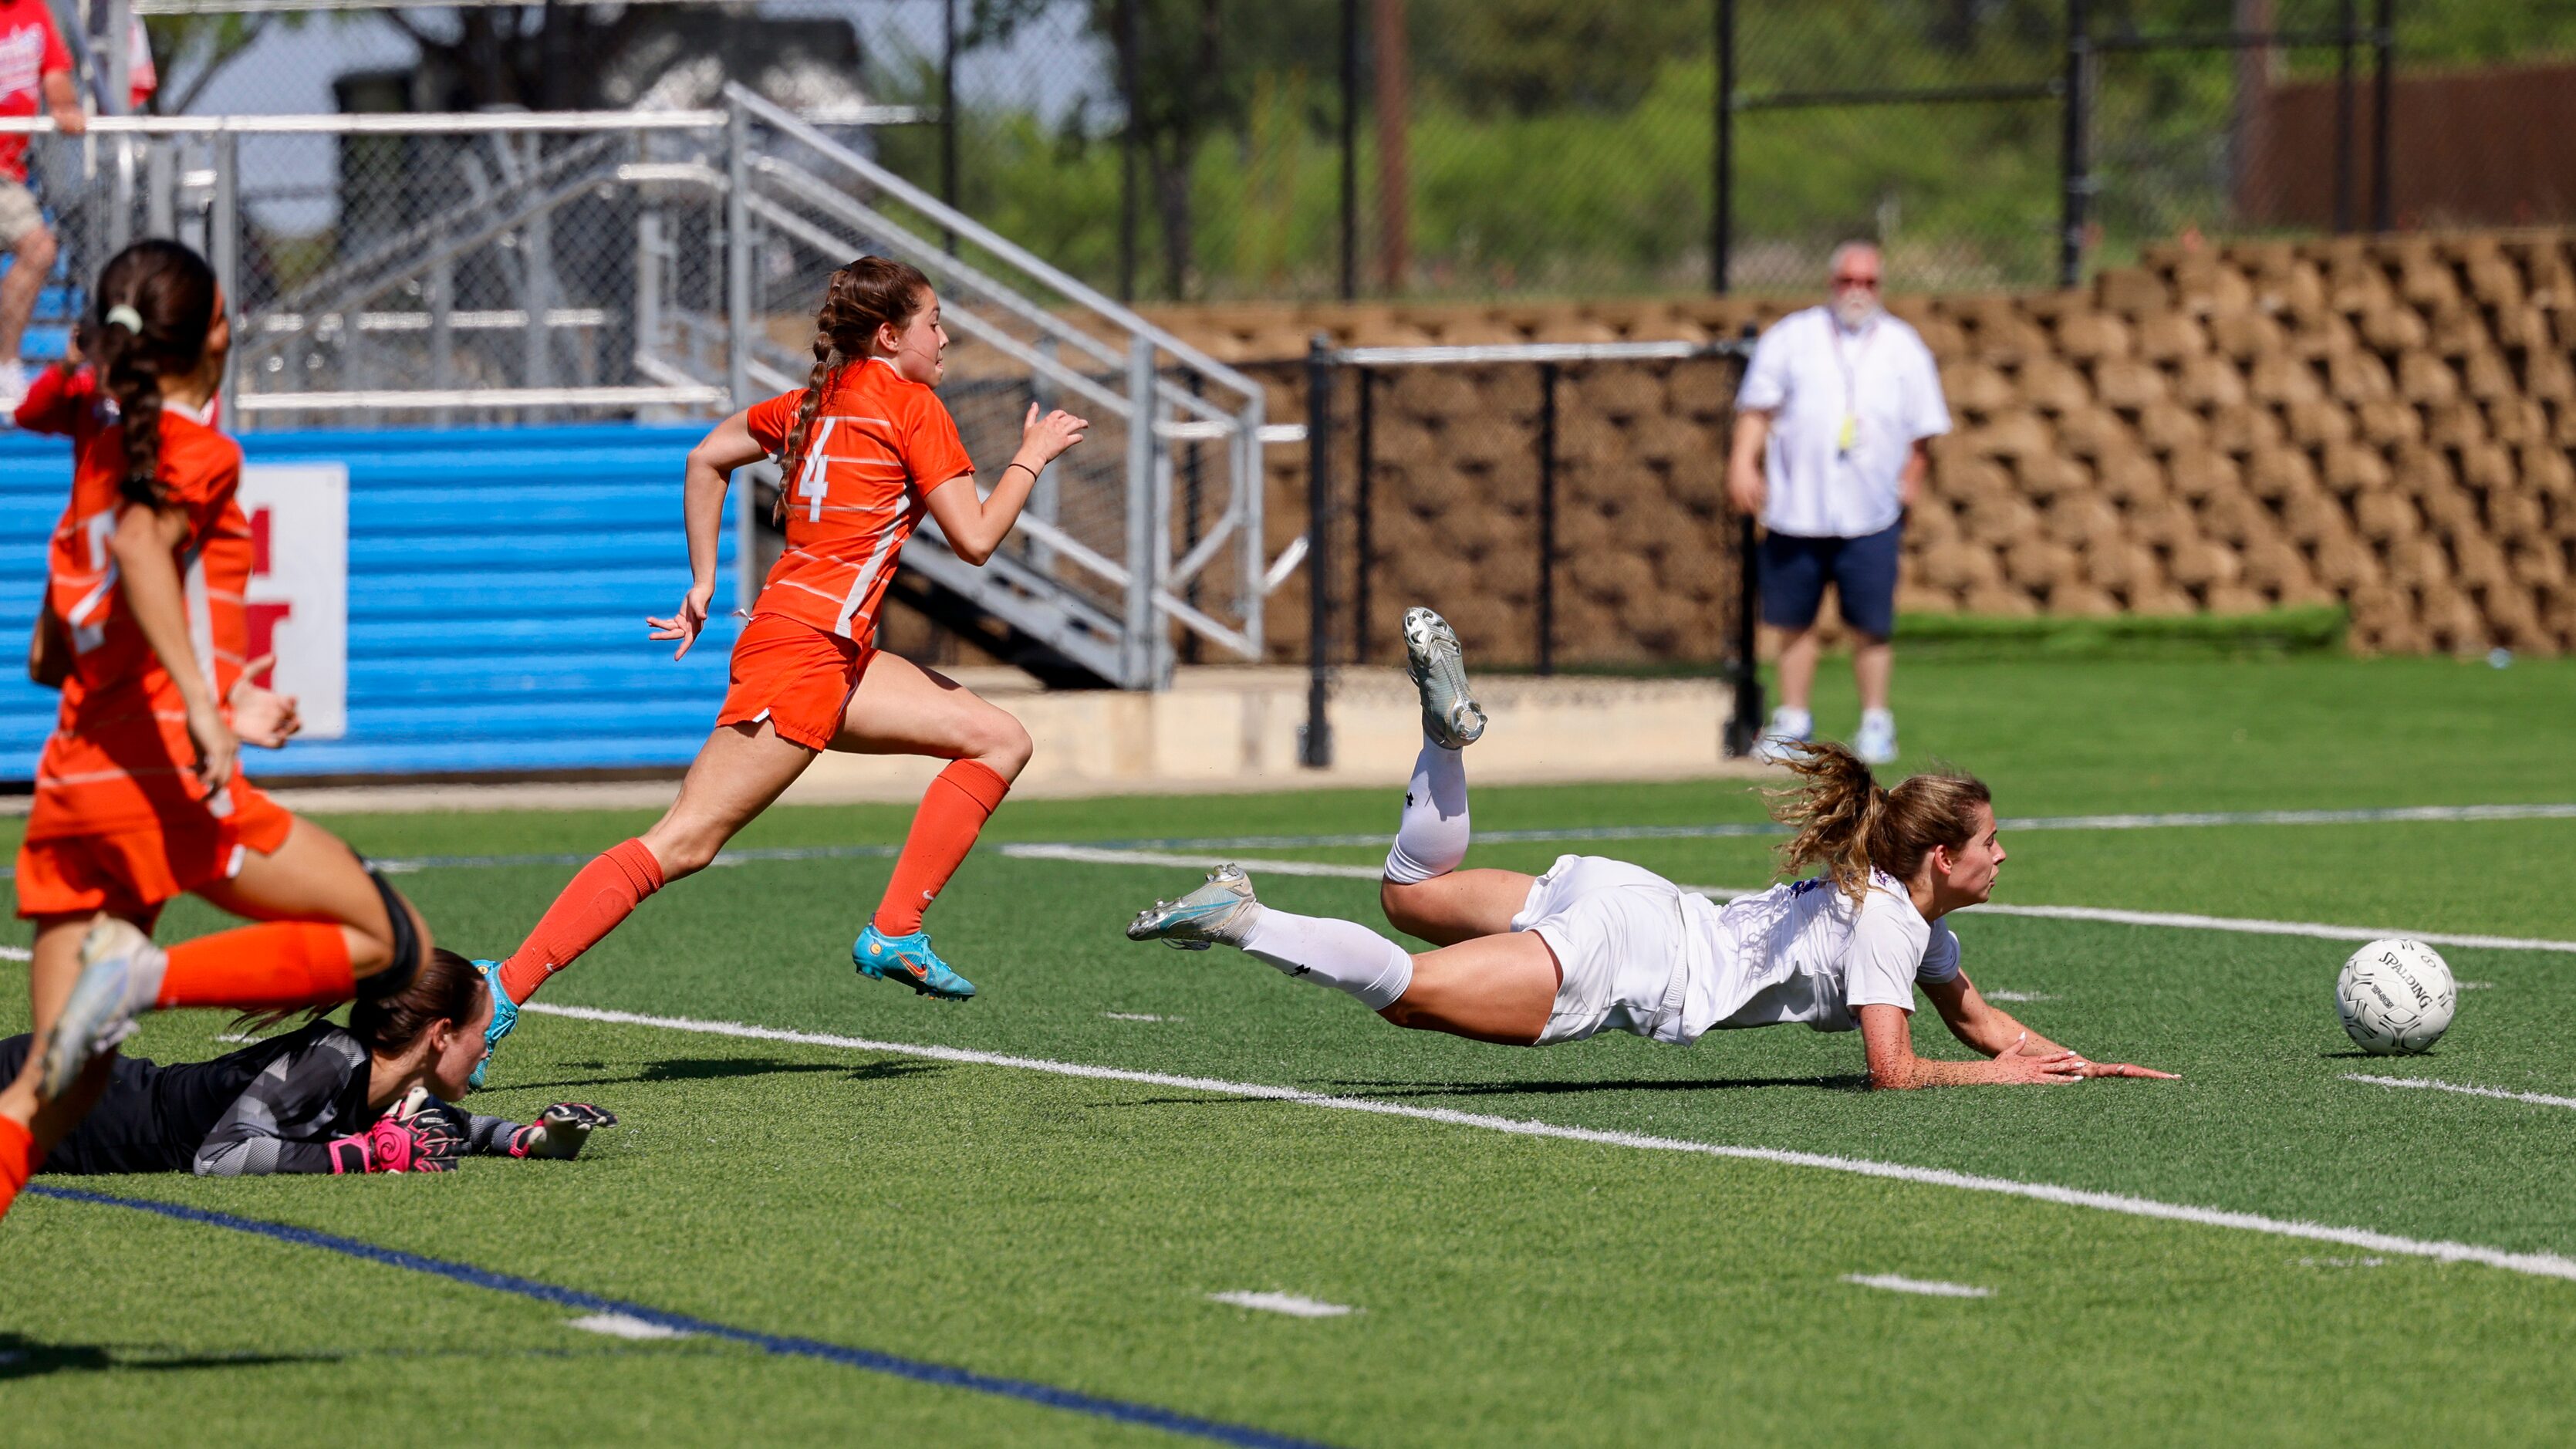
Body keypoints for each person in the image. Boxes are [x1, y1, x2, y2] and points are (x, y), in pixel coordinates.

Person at [472, 255, 1089, 1083]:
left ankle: (896, 931)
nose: (945, 337)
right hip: (804, 657)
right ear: (889, 335)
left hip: (829, 649)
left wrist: (701, 583)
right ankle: (496, 996)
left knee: (997, 739)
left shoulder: (812, 404)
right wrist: (1032, 457)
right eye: (934, 322)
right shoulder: (912, 405)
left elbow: (705, 458)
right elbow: (975, 541)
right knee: (683, 843)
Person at [1126, 607, 2174, 1089]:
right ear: (1936, 858)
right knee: (1405, 990)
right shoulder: (1894, 929)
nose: (2004, 857)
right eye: (1988, 842)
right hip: (1632, 957)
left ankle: (1441, 744)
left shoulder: (1896, 906)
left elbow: (1980, 1020)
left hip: (1628, 893)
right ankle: (1245, 916)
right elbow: (1893, 1071)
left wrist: (2067, 1059)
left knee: (1410, 891)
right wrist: (1996, 1084)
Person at [0, 240, 435, 1224]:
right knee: (391, 941)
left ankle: (125, 984)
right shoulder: (199, 453)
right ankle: (143, 976)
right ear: (220, 330)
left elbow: (50, 655)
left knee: (46, 1098)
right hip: (160, 781)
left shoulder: (96, 435)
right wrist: (203, 706)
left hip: (72, 785)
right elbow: (141, 546)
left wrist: (217, 696)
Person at [0, 949, 614, 1177]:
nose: (487, 1048)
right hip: (56, 1090)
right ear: (442, 1035)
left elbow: (447, 1126)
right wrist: (365, 1157)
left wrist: (539, 1138)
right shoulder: (331, 1060)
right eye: (484, 1034)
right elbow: (222, 1155)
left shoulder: (384, 1082)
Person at [1727, 241, 1950, 767]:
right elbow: (1756, 409)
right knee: (1793, 620)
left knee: (1869, 623)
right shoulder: (1792, 337)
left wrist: (1910, 480)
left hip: (1870, 510)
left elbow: (1923, 431)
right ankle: (1793, 719)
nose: (1856, 291)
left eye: (1867, 282)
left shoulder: (1903, 346)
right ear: (1832, 284)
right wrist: (1742, 463)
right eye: (1847, 281)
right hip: (1797, 507)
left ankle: (1875, 720)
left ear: (1879, 287)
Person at [0, 0, 85, 410]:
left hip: (9, 173)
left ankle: (5, 363)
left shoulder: (34, 11)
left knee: (40, 248)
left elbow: (54, 76)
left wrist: (65, 107)